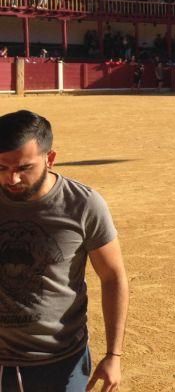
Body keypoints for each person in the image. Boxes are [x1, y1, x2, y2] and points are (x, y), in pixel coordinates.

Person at [0, 110, 128, 391]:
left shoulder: (83, 205)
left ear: (50, 158)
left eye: (23, 168)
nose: (12, 179)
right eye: (2, 168)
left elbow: (113, 277)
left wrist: (113, 355)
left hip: (59, 364)